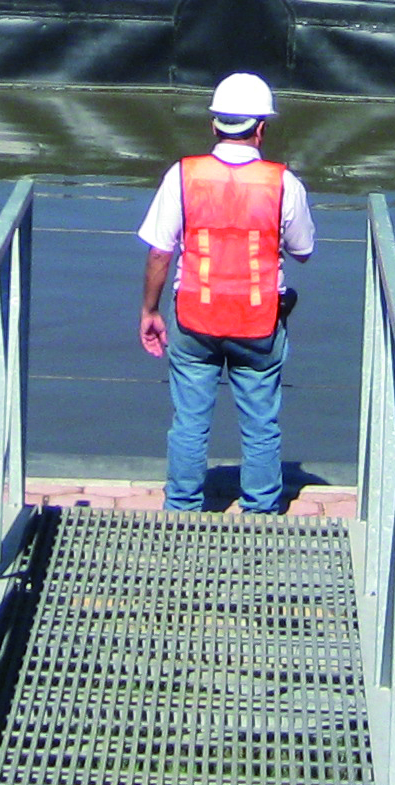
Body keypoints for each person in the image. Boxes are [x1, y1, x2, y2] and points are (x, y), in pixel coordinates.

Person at [135, 72, 316, 516]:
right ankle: (260, 511)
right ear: (261, 128)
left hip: (194, 318)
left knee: (190, 422)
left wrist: (149, 310)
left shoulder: (184, 175)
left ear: (214, 125)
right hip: (259, 322)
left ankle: (182, 509)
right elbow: (304, 251)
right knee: (260, 423)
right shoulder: (283, 183)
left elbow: (161, 252)